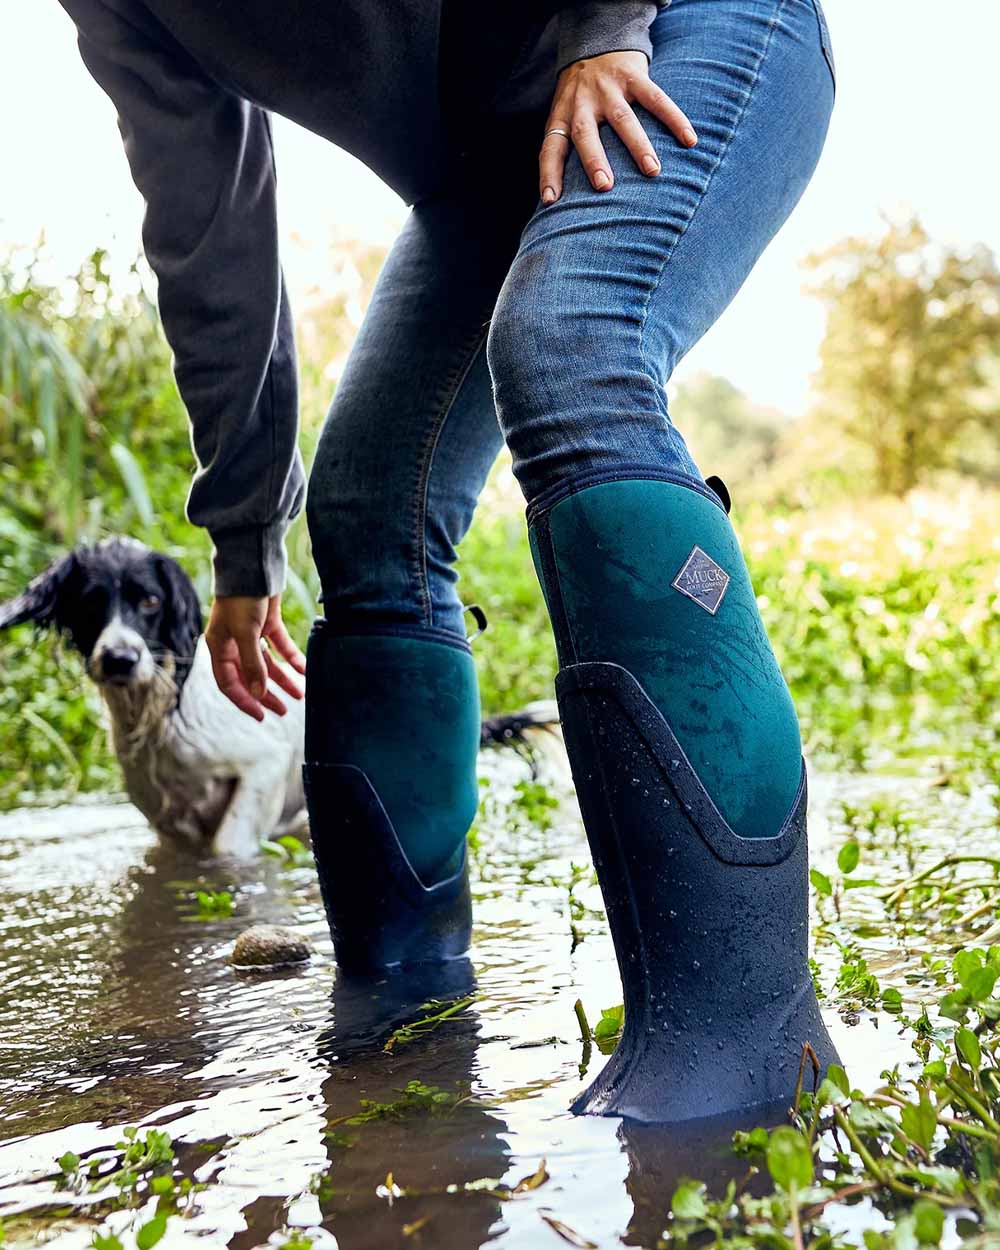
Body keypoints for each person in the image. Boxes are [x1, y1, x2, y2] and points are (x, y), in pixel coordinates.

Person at [60, 0, 839, 1122]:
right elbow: (208, 235)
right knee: (367, 507)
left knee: (572, 347)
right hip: (483, 168)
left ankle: (746, 1037)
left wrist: (604, 23)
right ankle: (404, 998)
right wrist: (242, 537)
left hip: (680, 29)